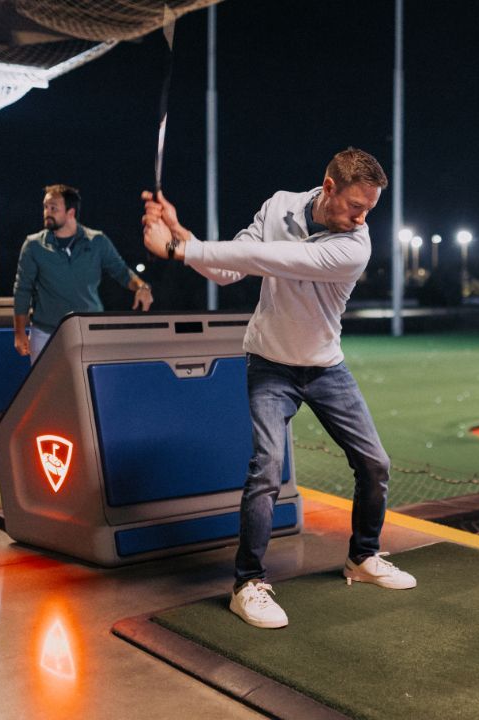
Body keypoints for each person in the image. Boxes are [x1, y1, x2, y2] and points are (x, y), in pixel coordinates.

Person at [141, 147, 415, 629]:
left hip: (326, 366)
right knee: (266, 468)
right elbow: (229, 270)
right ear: (329, 187)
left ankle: (363, 557)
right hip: (269, 363)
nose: (362, 217)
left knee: (375, 463)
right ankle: (248, 584)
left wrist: (176, 248)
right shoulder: (278, 206)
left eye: (370, 209)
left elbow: (275, 258)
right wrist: (183, 235)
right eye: (356, 206)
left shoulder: (354, 246)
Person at [13, 184, 153, 363]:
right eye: (45, 207)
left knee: (89, 388)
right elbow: (22, 290)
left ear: (70, 212)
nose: (47, 212)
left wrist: (142, 287)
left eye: (53, 208)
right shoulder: (33, 246)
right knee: (48, 390)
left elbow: (122, 272)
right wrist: (19, 334)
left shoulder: (97, 241)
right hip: (45, 334)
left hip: (89, 332)